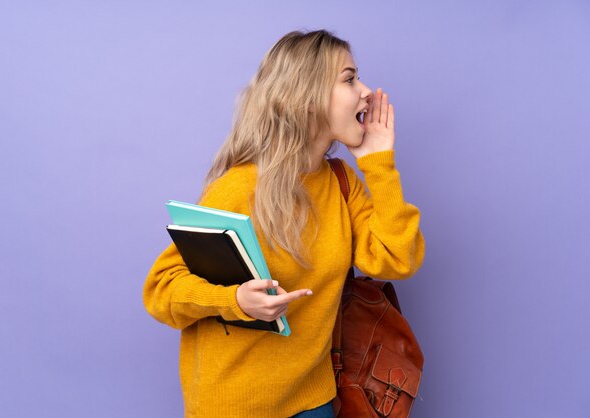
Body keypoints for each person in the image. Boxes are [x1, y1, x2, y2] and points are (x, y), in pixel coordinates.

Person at [143, 29, 425, 418]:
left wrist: (379, 164)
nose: (366, 91)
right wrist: (236, 300)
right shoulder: (241, 187)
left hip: (315, 401)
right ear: (306, 97)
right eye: (349, 79)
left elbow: (397, 260)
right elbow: (161, 290)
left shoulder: (341, 183)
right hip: (234, 407)